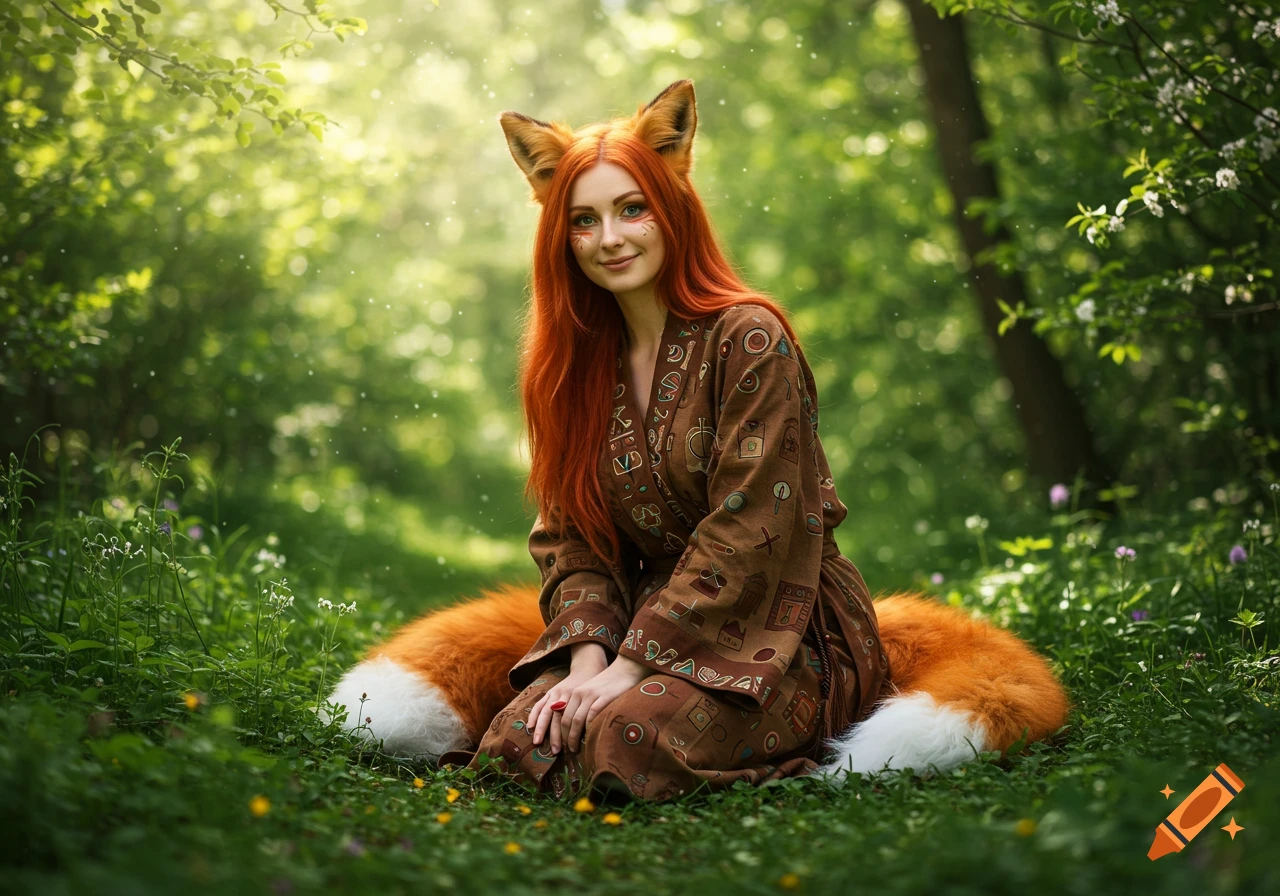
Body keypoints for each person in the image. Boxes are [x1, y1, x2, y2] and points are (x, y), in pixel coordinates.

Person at [439, 80, 890, 802]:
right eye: (583, 220)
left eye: (631, 209)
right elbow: (569, 535)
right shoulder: (576, 364)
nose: (609, 239)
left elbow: (753, 531)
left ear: (671, 201)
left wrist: (631, 671)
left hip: (780, 627)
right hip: (631, 630)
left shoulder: (748, 337)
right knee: (521, 738)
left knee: (625, 735)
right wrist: (587, 664)